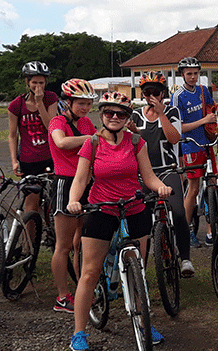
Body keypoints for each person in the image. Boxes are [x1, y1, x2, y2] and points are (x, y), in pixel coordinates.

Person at [67, 92, 172, 350]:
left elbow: (148, 176)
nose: (114, 117)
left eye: (121, 114)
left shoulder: (136, 142)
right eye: (109, 113)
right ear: (102, 115)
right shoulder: (91, 143)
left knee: (139, 271)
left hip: (134, 206)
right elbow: (80, 179)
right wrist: (74, 200)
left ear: (127, 117)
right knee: (90, 272)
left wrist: (161, 187)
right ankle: (79, 333)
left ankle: (144, 322)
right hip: (102, 207)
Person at [130, 71, 195, 277]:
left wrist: (161, 114)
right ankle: (141, 265)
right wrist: (133, 132)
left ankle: (185, 258)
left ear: (163, 93)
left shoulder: (172, 112)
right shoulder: (135, 115)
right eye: (147, 92)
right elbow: (135, 143)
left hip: (168, 170)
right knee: (140, 220)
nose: (151, 96)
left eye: (156, 92)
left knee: (178, 213)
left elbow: (174, 138)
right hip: (143, 174)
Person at [48, 78, 99, 313]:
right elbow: (62, 142)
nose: (85, 108)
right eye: (80, 103)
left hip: (88, 183)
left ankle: (82, 290)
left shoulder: (87, 123)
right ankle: (62, 296)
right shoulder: (57, 122)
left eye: (88, 104)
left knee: (82, 242)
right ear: (67, 102)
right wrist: (91, 139)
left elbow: (100, 143)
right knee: (64, 245)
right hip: (65, 183)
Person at [170, 56, 218, 247]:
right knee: (193, 189)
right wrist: (203, 121)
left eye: (196, 73)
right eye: (189, 74)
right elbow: (177, 128)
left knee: (212, 184)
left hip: (207, 143)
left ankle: (211, 232)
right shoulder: (177, 96)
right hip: (190, 145)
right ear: (182, 75)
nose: (193, 77)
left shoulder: (203, 90)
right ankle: (185, 232)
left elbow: (211, 107)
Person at [8, 61, 59, 218]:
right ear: (27, 82)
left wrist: (39, 103)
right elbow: (12, 135)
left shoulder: (50, 98)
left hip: (51, 157)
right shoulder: (17, 104)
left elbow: (51, 126)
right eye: (34, 82)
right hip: (29, 160)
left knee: (57, 200)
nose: (38, 86)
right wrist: (14, 161)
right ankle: (29, 241)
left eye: (41, 83)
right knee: (31, 204)